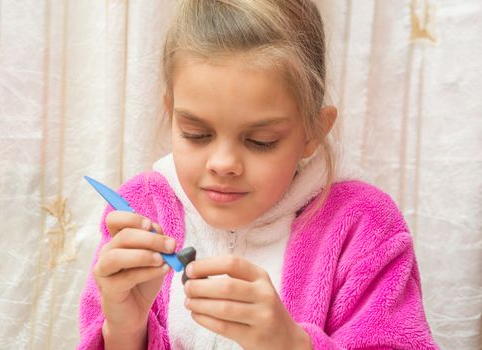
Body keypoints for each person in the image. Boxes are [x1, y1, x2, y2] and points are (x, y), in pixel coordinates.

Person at [78, 0, 439, 349]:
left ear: (314, 131)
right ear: (170, 112)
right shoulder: (140, 213)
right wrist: (124, 331)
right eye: (196, 134)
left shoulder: (364, 229)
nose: (223, 163)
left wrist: (292, 345)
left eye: (260, 140)